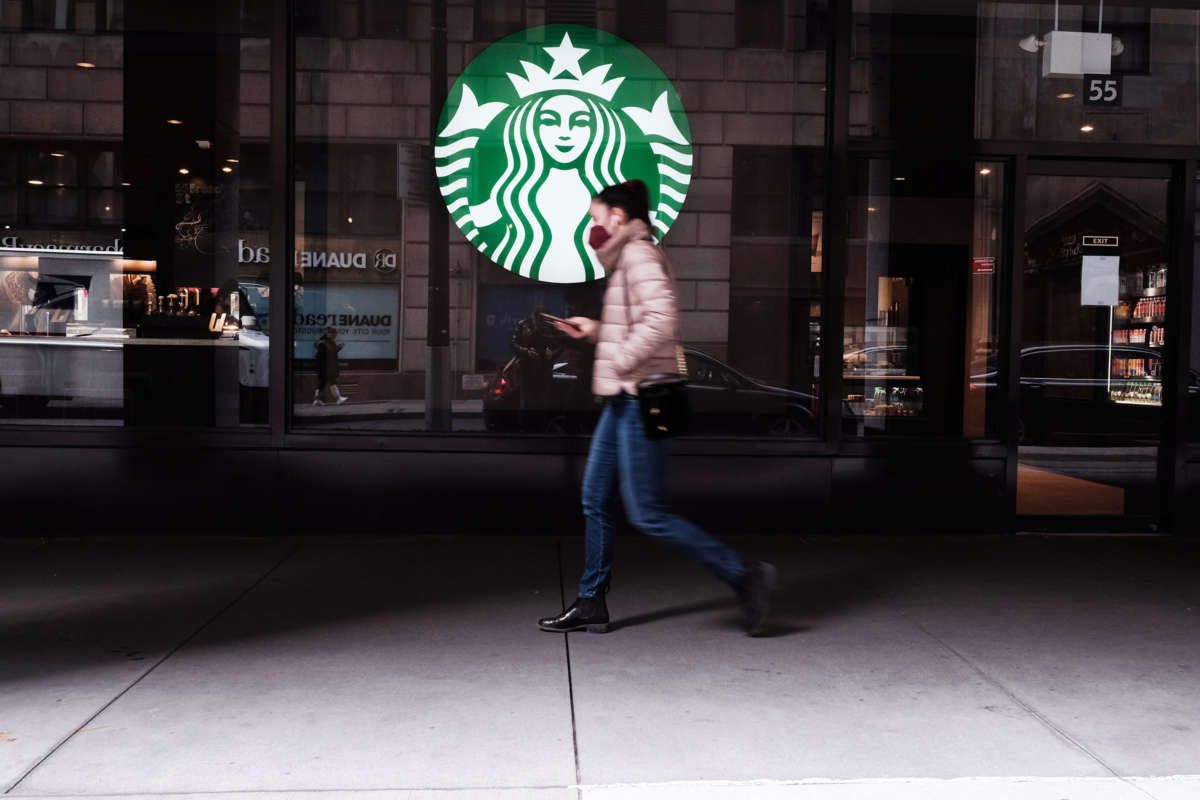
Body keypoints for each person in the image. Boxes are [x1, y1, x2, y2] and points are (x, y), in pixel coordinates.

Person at [537, 179, 776, 636]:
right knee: (593, 497)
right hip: (623, 397)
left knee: (647, 512)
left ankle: (745, 576)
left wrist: (622, 359)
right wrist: (597, 329)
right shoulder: (629, 258)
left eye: (596, 217)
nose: (593, 225)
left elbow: (662, 322)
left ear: (619, 217)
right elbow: (637, 321)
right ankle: (591, 601)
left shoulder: (640, 255)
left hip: (640, 395)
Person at [314, 326, 347, 406]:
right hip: (325, 368)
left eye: (335, 335)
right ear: (328, 334)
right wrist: (322, 368)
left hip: (328, 367)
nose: (335, 336)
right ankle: (337, 399)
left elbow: (332, 353)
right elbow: (321, 357)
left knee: (326, 384)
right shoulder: (323, 343)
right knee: (326, 383)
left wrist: (338, 348)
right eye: (333, 334)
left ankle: (318, 400)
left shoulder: (330, 342)